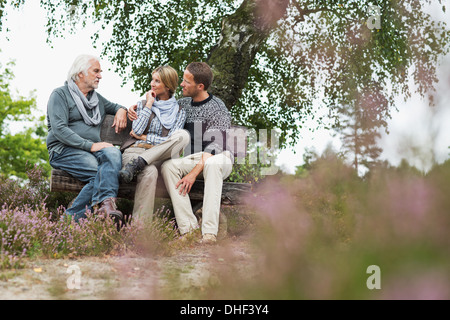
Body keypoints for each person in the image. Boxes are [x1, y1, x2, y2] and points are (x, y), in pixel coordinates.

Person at [46, 54, 128, 224]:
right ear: (80, 73)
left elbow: (117, 106)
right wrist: (90, 146)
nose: (100, 75)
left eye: (100, 72)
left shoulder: (97, 99)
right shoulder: (60, 95)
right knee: (100, 173)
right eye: (96, 71)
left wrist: (121, 111)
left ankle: (105, 207)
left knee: (113, 152)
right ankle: (68, 221)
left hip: (91, 150)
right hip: (64, 150)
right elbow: (59, 129)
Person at [160, 62, 234, 244]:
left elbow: (215, 148)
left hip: (218, 158)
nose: (181, 84)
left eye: (186, 81)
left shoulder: (217, 108)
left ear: (200, 86)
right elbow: (159, 113)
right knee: (168, 166)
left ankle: (209, 233)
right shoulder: (182, 104)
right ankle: (189, 230)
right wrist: (130, 109)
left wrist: (193, 174)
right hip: (193, 158)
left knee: (212, 163)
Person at [120, 65, 189, 220]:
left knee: (181, 136)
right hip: (135, 151)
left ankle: (140, 162)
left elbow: (172, 140)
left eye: (157, 81)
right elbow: (136, 131)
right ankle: (139, 231)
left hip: (160, 157)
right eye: (153, 79)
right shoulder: (143, 104)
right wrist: (149, 104)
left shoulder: (179, 112)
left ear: (168, 85)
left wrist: (146, 138)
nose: (152, 84)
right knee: (149, 172)